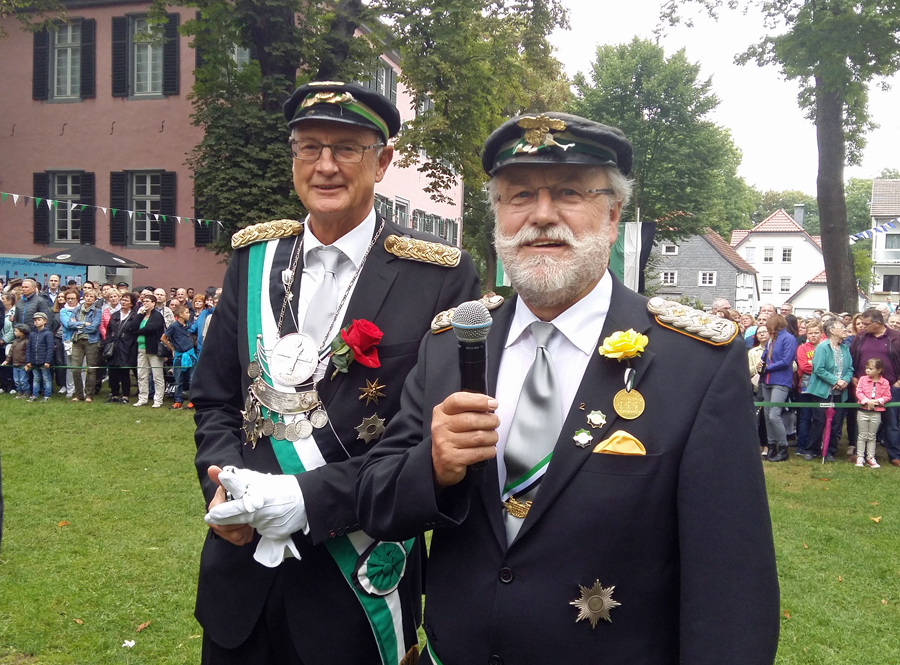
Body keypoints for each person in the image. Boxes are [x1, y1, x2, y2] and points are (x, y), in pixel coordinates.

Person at [356, 112, 779, 664]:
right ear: (498, 214)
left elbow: (732, 589)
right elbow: (377, 502)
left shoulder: (695, 363)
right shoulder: (450, 346)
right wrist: (432, 467)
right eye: (519, 195)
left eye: (569, 193)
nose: (542, 215)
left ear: (613, 215)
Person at [194, 80, 480, 664]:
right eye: (309, 147)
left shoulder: (440, 276)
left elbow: (424, 442)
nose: (325, 165)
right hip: (241, 577)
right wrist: (219, 483)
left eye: (346, 148)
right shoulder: (253, 259)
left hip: (358, 584)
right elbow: (216, 398)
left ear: (383, 160)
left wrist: (303, 499)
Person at [850, 309, 900, 466]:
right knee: (862, 421)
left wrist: (898, 380)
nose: (863, 326)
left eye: (866, 324)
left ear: (878, 323)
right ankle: (860, 454)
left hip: (890, 386)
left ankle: (895, 454)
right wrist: (853, 376)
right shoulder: (861, 337)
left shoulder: (895, 337)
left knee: (891, 421)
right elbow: (852, 357)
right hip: (864, 386)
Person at [803, 318, 853, 461]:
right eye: (841, 327)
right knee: (819, 421)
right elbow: (819, 369)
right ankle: (811, 449)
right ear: (832, 330)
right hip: (822, 391)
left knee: (836, 422)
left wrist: (844, 381)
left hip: (840, 391)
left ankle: (830, 450)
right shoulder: (822, 347)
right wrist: (835, 380)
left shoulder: (845, 348)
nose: (844, 329)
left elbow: (850, 368)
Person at [757, 314, 798, 462]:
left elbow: (787, 360)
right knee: (768, 416)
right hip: (766, 381)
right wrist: (761, 364)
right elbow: (764, 356)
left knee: (775, 415)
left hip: (780, 381)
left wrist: (768, 368)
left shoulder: (789, 339)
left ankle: (783, 447)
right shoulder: (771, 340)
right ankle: (772, 446)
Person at [128, 293, 166, 408]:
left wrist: (137, 331)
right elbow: (132, 326)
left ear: (153, 303)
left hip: (153, 349)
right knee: (141, 375)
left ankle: (158, 400)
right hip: (141, 348)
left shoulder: (157, 316)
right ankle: (142, 398)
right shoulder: (141, 315)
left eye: (148, 301)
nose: (145, 303)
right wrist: (139, 314)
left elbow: (151, 328)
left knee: (157, 376)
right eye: (144, 301)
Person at [65, 290, 102, 402]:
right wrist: (83, 324)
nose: (89, 298)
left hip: (91, 342)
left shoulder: (97, 311)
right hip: (77, 341)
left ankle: (89, 395)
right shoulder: (76, 309)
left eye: (91, 296)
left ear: (94, 299)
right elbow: (69, 324)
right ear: (84, 297)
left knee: (91, 369)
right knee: (75, 369)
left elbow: (94, 327)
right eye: (87, 296)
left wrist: (78, 327)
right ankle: (79, 394)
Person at [855, 358, 890, 468]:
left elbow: (887, 396)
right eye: (866, 368)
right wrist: (867, 401)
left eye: (871, 368)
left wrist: (877, 401)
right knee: (862, 435)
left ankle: (870, 457)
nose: (867, 370)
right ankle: (860, 457)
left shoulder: (884, 382)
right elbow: (859, 392)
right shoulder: (862, 380)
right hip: (863, 411)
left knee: (872, 436)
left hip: (876, 412)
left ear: (879, 370)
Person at [795, 319, 822, 458]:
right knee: (805, 417)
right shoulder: (802, 348)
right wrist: (820, 369)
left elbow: (828, 366)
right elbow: (804, 366)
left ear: (821, 333)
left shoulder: (824, 348)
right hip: (805, 387)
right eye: (810, 333)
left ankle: (815, 446)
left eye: (816, 332)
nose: (813, 335)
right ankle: (802, 445)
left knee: (818, 418)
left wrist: (817, 367)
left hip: (821, 388)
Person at [106, 292, 139, 404]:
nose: (123, 302)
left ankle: (125, 396)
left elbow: (135, 332)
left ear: (131, 303)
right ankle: (114, 394)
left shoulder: (134, 316)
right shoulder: (115, 315)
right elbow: (109, 330)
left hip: (127, 347)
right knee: (112, 372)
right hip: (114, 347)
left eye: (126, 300)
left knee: (124, 371)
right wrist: (108, 342)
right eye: (122, 300)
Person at [161, 305, 195, 410]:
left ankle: (192, 401)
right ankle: (178, 401)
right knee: (178, 380)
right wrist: (172, 349)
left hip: (190, 355)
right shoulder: (174, 326)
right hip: (179, 356)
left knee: (191, 379)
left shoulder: (189, 325)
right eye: (187, 313)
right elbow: (163, 338)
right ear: (180, 314)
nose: (189, 315)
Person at [24, 311, 53, 402]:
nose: (36, 321)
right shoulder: (32, 334)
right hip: (34, 361)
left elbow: (50, 348)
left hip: (44, 361)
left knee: (46, 378)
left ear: (45, 321)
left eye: (39, 320)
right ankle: (34, 395)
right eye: (35, 320)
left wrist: (48, 361)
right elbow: (29, 348)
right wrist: (28, 361)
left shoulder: (48, 334)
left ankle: (47, 395)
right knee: (36, 378)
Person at [3, 324, 30, 397]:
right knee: (17, 380)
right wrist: (7, 360)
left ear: (22, 333)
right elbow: (10, 352)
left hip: (23, 365)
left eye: (16, 331)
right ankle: (19, 391)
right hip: (15, 364)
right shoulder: (14, 342)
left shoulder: (26, 342)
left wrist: (27, 363)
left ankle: (26, 392)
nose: (14, 332)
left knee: (23, 380)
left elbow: (28, 353)